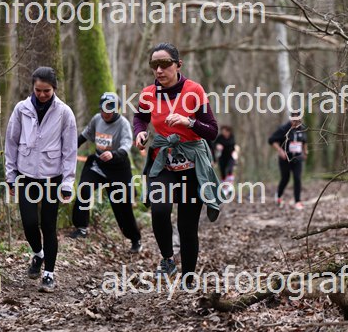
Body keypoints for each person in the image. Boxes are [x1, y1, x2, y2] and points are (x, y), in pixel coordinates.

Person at [133, 42, 221, 283]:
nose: (159, 70)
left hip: (192, 167)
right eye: (154, 65)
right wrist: (140, 133)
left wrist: (188, 122)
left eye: (164, 64)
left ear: (178, 65)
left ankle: (188, 278)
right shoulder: (148, 93)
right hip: (163, 161)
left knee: (187, 227)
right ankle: (168, 259)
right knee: (159, 210)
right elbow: (140, 117)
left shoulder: (194, 91)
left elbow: (212, 131)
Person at [5, 66, 77, 293]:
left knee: (48, 225)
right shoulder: (21, 109)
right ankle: (38, 254)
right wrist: (11, 175)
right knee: (28, 223)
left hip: (52, 178)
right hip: (26, 176)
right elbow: (11, 142)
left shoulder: (64, 112)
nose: (42, 94)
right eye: (38, 90)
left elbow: (70, 150)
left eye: (47, 90)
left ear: (54, 88)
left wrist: (67, 183)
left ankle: (49, 274)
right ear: (33, 88)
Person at [69, 93, 142, 253]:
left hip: (118, 168)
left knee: (122, 206)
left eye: (110, 110)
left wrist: (114, 154)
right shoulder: (97, 119)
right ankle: (81, 227)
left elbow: (126, 145)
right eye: (103, 109)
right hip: (98, 164)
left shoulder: (123, 124)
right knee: (84, 188)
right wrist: (69, 149)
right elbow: (84, 136)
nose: (106, 113)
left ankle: (135, 239)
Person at [268, 112, 308, 210]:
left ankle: (297, 201)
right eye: (294, 120)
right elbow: (271, 140)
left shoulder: (302, 129)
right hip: (285, 158)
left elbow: (304, 141)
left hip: (297, 158)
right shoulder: (284, 129)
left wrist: (305, 152)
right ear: (291, 119)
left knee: (297, 178)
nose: (295, 122)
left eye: (298, 120)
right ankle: (279, 196)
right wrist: (280, 151)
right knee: (285, 178)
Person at [213, 125, 238, 197]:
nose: (224, 133)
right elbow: (213, 144)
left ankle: (230, 186)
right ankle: (224, 188)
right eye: (222, 131)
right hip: (222, 157)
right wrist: (217, 146)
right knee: (223, 172)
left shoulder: (231, 137)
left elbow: (231, 144)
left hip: (230, 157)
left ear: (228, 131)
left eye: (225, 131)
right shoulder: (220, 137)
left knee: (229, 170)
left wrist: (222, 145)